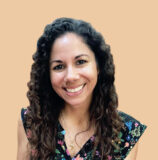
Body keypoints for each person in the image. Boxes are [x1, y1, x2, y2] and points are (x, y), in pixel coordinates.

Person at [17, 17, 147, 160]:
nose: (71, 76)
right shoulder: (31, 121)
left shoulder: (128, 131)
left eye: (80, 62)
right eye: (58, 66)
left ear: (98, 66)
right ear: (47, 74)